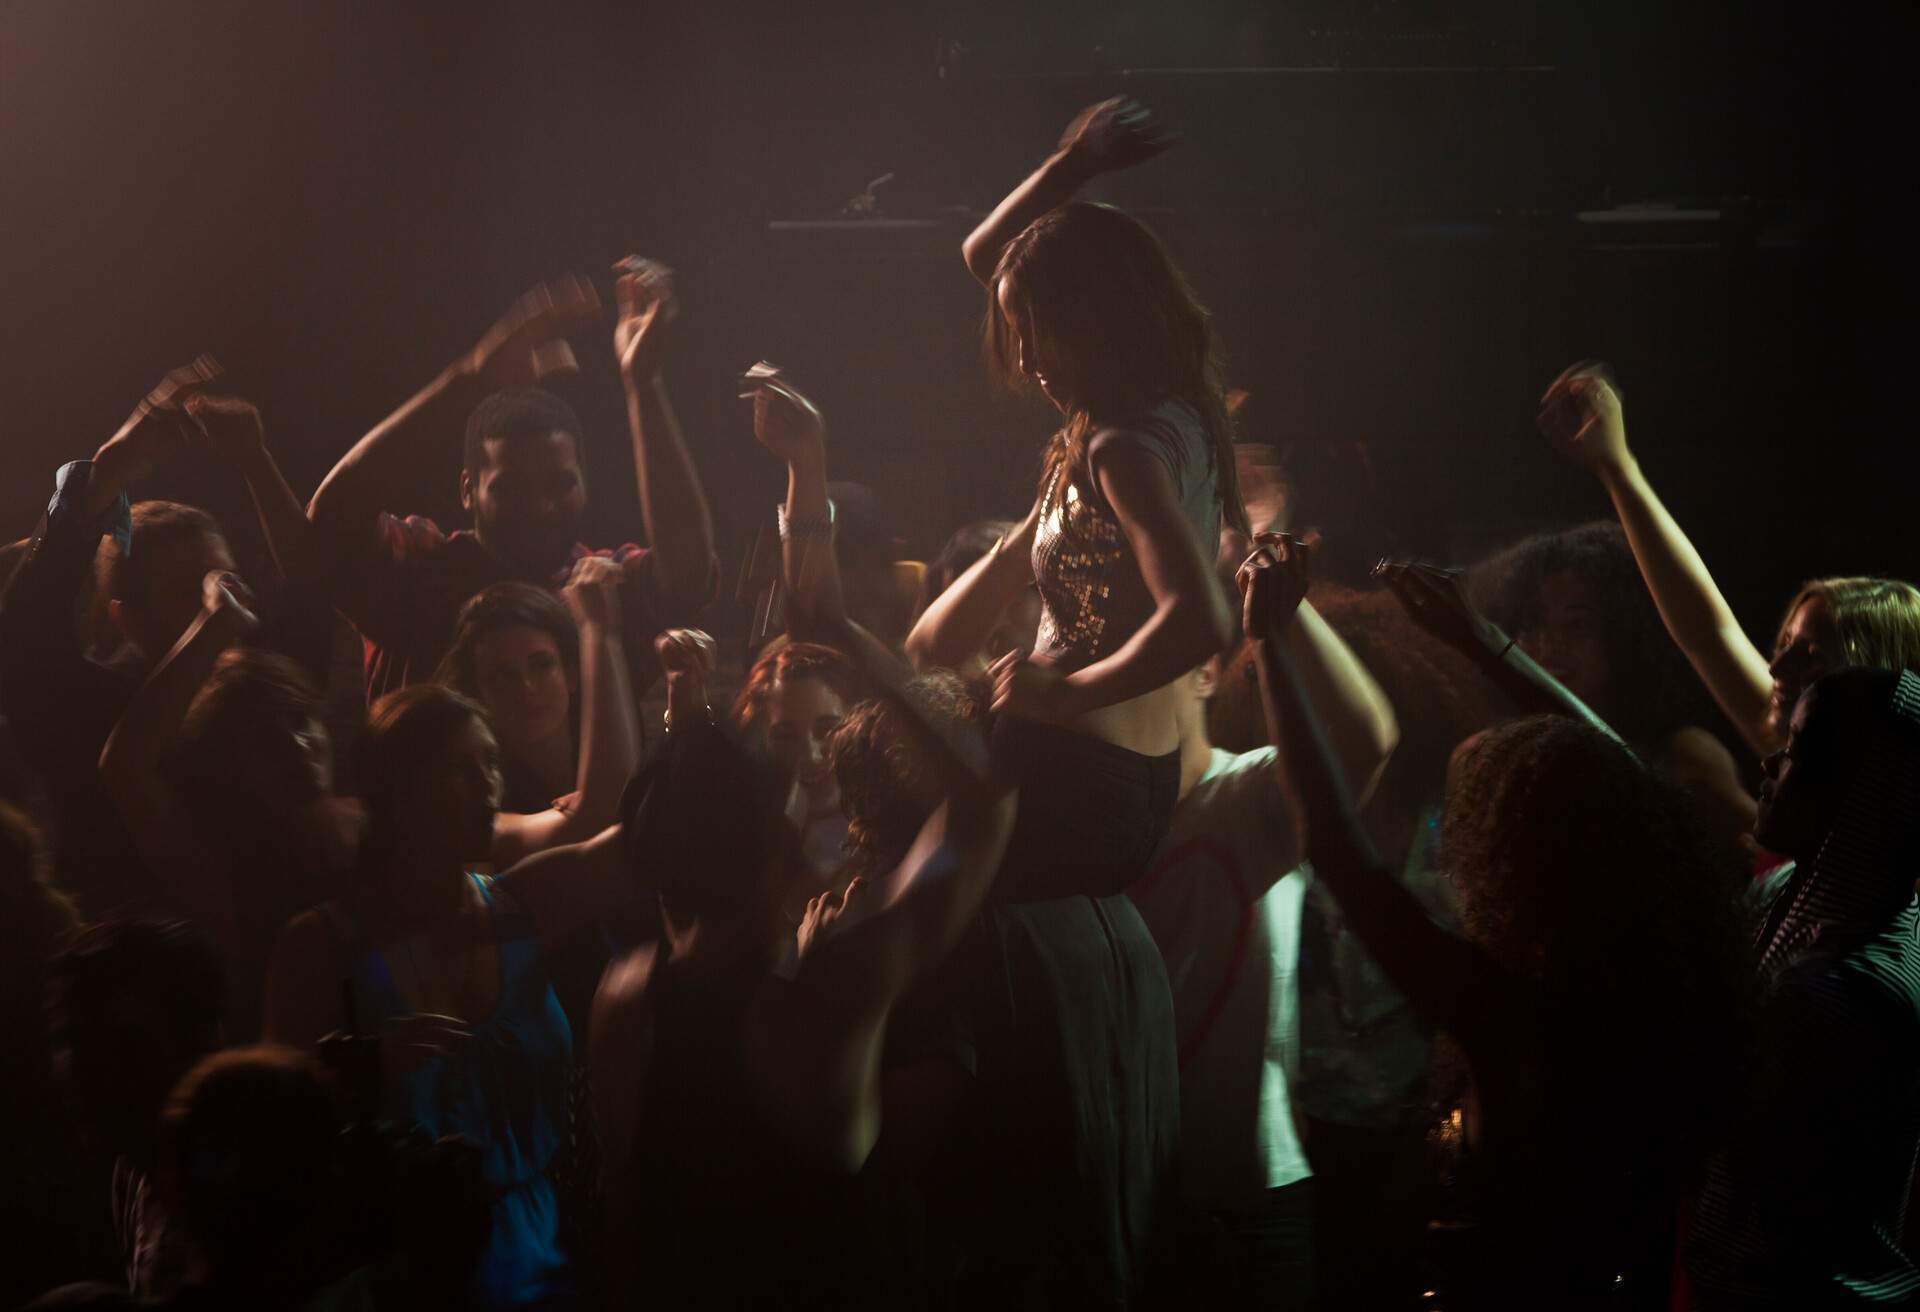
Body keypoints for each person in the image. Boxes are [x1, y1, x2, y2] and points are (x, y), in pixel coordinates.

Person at [1244, 549, 1750, 1307]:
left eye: (1473, 819)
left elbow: (1337, 851)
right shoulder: (1661, 977)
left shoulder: (1510, 1017)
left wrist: (1269, 644)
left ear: (1515, 854)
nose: (1453, 853)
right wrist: (1484, 642)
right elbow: (1633, 795)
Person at [587, 686, 1016, 1309]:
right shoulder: (828, 1002)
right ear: (777, 853)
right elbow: (985, 800)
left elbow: (623, 1213)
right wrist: (854, 644)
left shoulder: (623, 996)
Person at [265, 684, 643, 1310]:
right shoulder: (319, 948)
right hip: (404, 1279)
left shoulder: (525, 902)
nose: (488, 784)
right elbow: (265, 1132)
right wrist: (356, 1071)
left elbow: (653, 837)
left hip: (552, 1262)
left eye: (491, 762)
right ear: (398, 789)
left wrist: (687, 712)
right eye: (460, 768)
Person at [1127, 534, 1398, 1310]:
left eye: (1151, 654)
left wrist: (1282, 615)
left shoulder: (1246, 796)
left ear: (1205, 672)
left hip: (1253, 1201)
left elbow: (1366, 741)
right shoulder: (1096, 830)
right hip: (1134, 1202)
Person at [307, 267, 717, 704]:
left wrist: (644, 384)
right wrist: (472, 376)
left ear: (585, 486)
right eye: (510, 488)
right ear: (468, 491)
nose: (540, 507)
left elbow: (687, 569)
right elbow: (332, 520)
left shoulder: (599, 585)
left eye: (560, 484)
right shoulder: (423, 569)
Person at [0, 363, 311, 915]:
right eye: (185, 593)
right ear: (129, 621)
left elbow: (315, 587)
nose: (219, 599)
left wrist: (255, 462)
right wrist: (103, 476)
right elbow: (24, 634)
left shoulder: (268, 693)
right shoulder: (95, 711)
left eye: (221, 579)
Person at [1538, 362, 1920, 760]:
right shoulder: (1801, 751)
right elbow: (1706, 632)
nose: (1775, 669)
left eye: (1813, 658)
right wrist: (1615, 465)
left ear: (1880, 678)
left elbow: (1707, 634)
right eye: (1785, 643)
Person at [1687, 667, 1920, 1308]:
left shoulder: (1836, 994)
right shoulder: (1795, 897)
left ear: (1866, 792)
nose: (1769, 761)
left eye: (1799, 750)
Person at [1470, 520, 1757, 853]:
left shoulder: (1682, 758)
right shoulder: (1482, 758)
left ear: (1623, 637)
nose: (1550, 643)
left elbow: (1778, 859)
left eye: (1578, 623)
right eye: (1533, 622)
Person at [50, 917, 227, 1303]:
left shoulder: (234, 1186)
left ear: (193, 1043)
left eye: (116, 1040)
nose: (78, 1065)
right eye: (70, 1038)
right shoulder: (133, 1173)